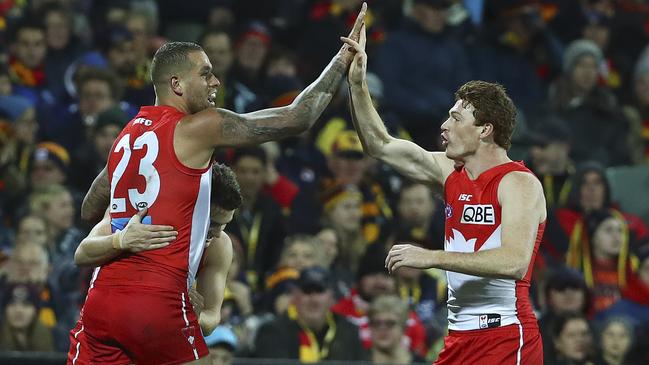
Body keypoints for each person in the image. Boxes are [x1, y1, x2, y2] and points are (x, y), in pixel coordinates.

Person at [70, 4, 367, 365]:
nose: (216, 82)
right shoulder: (200, 127)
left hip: (101, 301)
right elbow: (296, 117)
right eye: (206, 74)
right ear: (176, 84)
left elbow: (89, 208)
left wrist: (124, 233)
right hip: (156, 297)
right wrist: (342, 59)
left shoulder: (126, 135)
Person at [342, 24, 546, 364]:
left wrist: (431, 257)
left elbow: (514, 261)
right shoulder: (450, 172)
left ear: (484, 129)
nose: (444, 126)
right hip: (459, 336)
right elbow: (379, 144)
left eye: (455, 117)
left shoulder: (519, 183)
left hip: (506, 335)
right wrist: (357, 83)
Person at [67, 163, 242, 365]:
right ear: (193, 207)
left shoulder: (219, 245)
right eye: (212, 223)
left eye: (225, 223)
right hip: (109, 319)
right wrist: (121, 239)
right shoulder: (148, 215)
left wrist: (193, 316)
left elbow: (211, 318)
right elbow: (82, 253)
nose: (218, 232)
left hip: (162, 325)